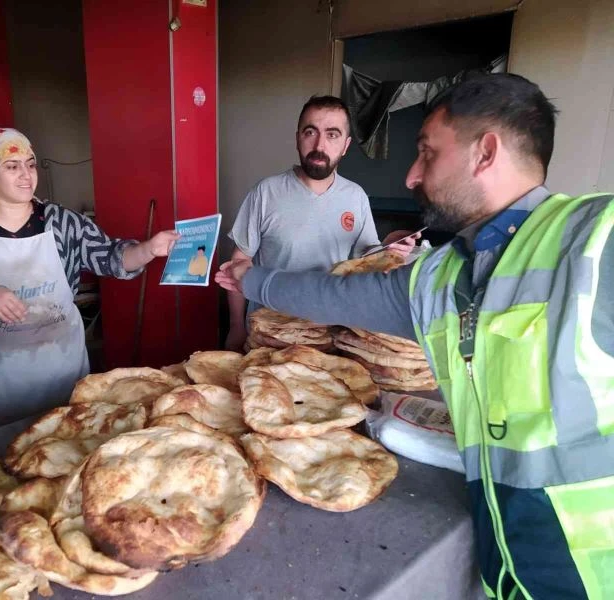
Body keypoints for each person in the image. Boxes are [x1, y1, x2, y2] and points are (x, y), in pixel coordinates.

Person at [216, 74, 614, 599]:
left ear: (485, 152)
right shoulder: (444, 273)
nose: (409, 176)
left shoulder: (594, 239)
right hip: (506, 558)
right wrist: (255, 280)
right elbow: (338, 298)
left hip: (590, 568)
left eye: (427, 153)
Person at [0, 127, 179, 435]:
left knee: (63, 445)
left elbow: (112, 257)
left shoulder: (63, 222)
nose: (26, 175)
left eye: (30, 164)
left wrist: (149, 249)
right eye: (12, 166)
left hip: (60, 368)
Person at [224, 95, 419, 351]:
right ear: (298, 138)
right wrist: (236, 327)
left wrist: (389, 247)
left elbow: (365, 259)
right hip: (267, 335)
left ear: (346, 145)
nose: (319, 144)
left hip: (330, 336)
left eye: (332, 134)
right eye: (310, 132)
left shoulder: (355, 196)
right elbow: (239, 263)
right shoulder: (265, 193)